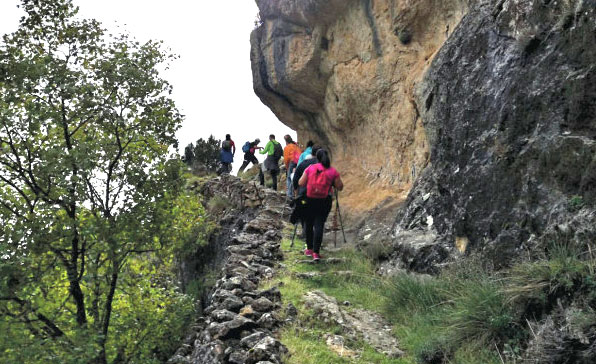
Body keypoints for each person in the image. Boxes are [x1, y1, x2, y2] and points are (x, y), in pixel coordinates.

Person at [298, 149, 343, 261]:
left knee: (309, 224)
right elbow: (340, 187)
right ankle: (316, 253)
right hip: (324, 201)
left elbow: (301, 183)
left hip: (310, 200)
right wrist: (332, 182)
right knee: (319, 225)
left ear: (316, 157)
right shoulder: (333, 171)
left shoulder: (310, 168)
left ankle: (309, 249)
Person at [283, 135, 302, 199]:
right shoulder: (296, 146)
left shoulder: (287, 147)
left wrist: (287, 167)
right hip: (299, 162)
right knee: (297, 177)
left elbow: (286, 159)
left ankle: (290, 195)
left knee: (289, 178)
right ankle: (297, 193)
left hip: (292, 162)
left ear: (286, 141)